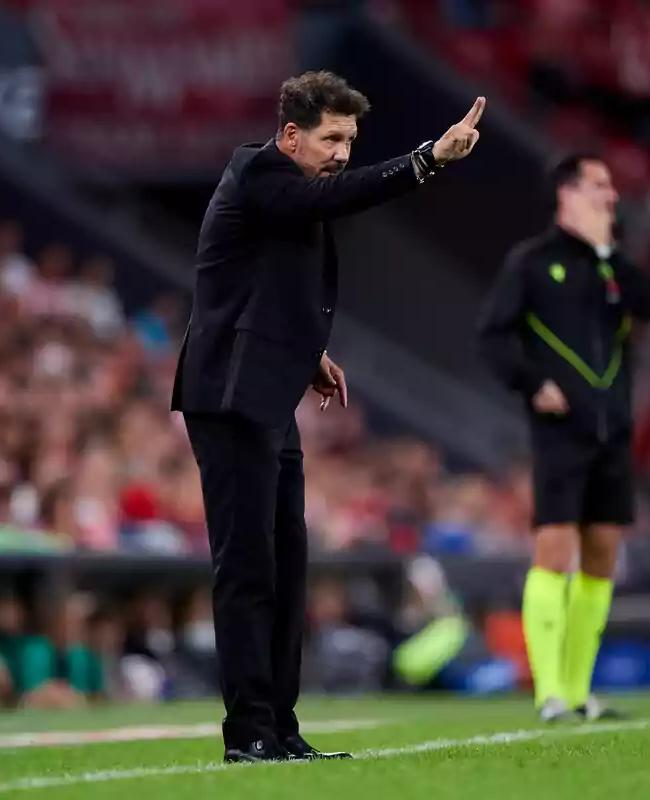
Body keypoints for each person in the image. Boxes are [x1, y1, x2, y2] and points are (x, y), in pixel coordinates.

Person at [171, 70, 485, 763]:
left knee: (287, 565)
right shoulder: (259, 173)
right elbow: (332, 197)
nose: (341, 152)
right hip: (228, 394)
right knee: (249, 566)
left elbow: (262, 277)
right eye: (331, 137)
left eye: (349, 139)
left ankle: (280, 728)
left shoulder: (285, 194)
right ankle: (248, 731)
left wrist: (309, 352)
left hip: (267, 391)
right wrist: (426, 158)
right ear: (290, 135)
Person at [476, 152, 650, 722]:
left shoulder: (612, 267)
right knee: (555, 547)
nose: (611, 195)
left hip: (612, 428)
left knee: (603, 552)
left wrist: (608, 251)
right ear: (568, 193)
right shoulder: (532, 262)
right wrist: (533, 384)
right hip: (560, 432)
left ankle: (581, 693)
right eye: (599, 185)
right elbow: (494, 336)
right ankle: (549, 690)